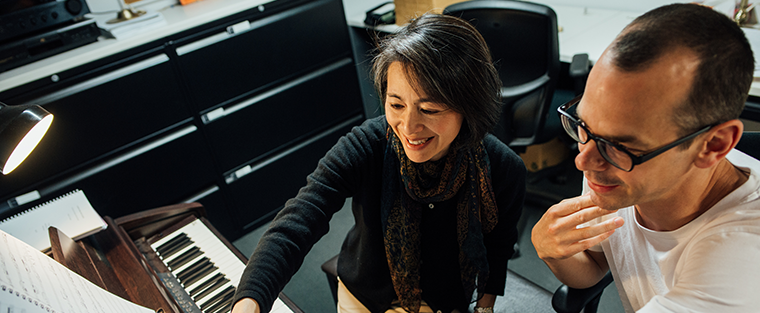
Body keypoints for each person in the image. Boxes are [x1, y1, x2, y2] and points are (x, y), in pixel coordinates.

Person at [231, 14, 526, 313]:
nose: (408, 127)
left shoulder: (503, 169)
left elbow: (498, 248)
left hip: (444, 302)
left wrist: (484, 308)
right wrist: (250, 300)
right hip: (364, 293)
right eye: (396, 104)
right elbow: (299, 220)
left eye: (429, 109)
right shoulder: (367, 145)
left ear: (470, 106)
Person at [531, 3, 760, 312]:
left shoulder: (738, 264)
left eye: (620, 145)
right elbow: (596, 263)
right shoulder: (612, 165)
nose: (583, 162)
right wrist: (552, 252)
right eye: (583, 126)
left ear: (713, 145)